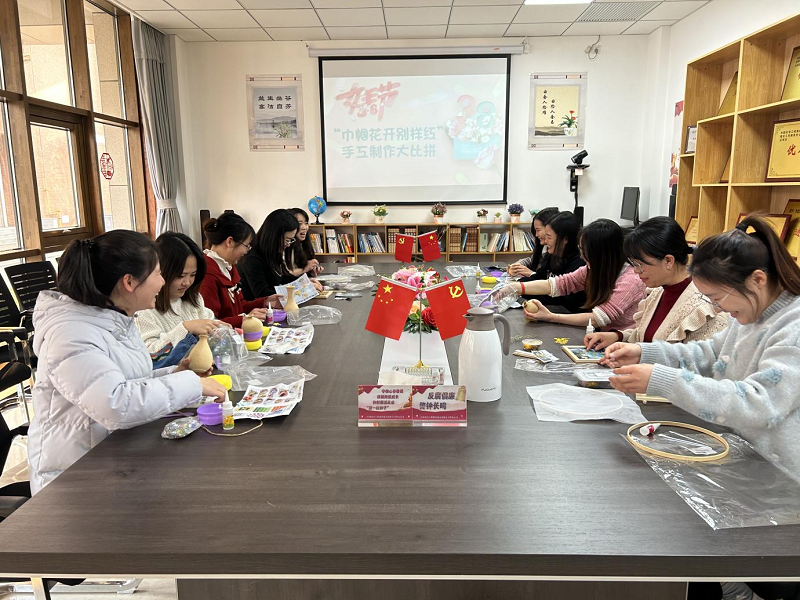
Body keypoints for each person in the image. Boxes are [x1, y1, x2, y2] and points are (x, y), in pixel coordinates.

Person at [28, 231, 226, 494]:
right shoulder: (71, 334)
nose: (163, 281)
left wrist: (175, 373)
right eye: (158, 273)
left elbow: (128, 381)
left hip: (113, 459)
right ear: (129, 282)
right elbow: (115, 404)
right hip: (74, 479)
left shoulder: (116, 319)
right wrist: (190, 385)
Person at [605, 216, 800, 481]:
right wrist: (644, 352)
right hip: (743, 455)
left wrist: (663, 380)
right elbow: (708, 354)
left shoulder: (793, 329)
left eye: (717, 298)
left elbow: (759, 403)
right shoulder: (752, 311)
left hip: (780, 473)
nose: (717, 309)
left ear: (757, 280)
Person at [584, 216, 728, 350]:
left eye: (640, 264)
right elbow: (645, 336)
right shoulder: (658, 292)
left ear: (668, 261)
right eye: (634, 264)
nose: (636, 271)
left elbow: (692, 361)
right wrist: (617, 336)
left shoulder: (703, 308)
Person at [499, 219, 646, 330]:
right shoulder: (592, 269)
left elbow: (598, 318)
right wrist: (516, 287)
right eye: (581, 249)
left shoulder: (630, 280)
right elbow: (557, 284)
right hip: (601, 337)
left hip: (622, 344)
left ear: (602, 254)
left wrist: (551, 317)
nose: (582, 256)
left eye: (585, 251)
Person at [136, 232, 228, 367]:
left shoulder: (193, 299)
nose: (187, 282)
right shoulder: (144, 309)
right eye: (180, 276)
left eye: (193, 275)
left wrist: (219, 331)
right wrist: (185, 328)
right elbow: (151, 355)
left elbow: (209, 326)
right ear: (161, 272)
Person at [199, 212, 274, 327]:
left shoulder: (227, 266)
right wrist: (244, 319)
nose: (246, 252)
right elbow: (210, 323)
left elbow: (239, 305)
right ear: (230, 241)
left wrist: (265, 302)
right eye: (246, 246)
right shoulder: (207, 274)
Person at [518, 211, 586, 313]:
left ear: (565, 239)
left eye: (549, 237)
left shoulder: (579, 263)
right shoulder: (553, 255)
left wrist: (523, 290)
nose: (545, 241)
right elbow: (538, 277)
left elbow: (561, 299)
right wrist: (515, 286)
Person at [239, 209, 302, 300]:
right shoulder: (253, 258)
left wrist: (304, 283)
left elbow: (284, 276)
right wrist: (298, 289)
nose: (288, 245)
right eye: (287, 240)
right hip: (257, 307)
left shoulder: (273, 252)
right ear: (274, 236)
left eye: (291, 240)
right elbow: (262, 294)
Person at [507, 206, 558, 278]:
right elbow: (532, 260)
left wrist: (531, 274)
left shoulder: (558, 253)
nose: (536, 235)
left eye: (538, 230)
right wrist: (517, 266)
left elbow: (551, 281)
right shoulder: (544, 247)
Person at [286, 208, 323, 278]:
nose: (304, 227)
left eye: (306, 223)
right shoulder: (286, 246)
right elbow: (284, 274)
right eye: (300, 223)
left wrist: (312, 271)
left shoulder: (303, 245)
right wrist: (305, 269)